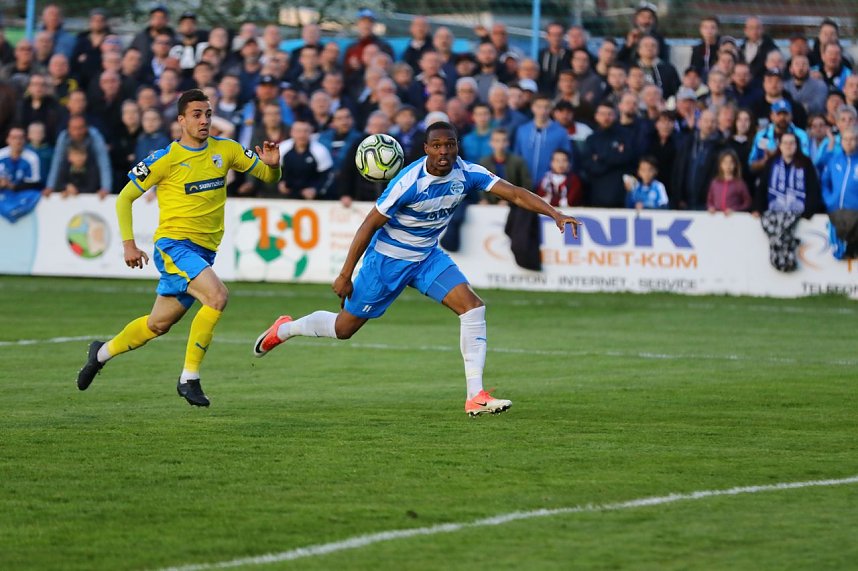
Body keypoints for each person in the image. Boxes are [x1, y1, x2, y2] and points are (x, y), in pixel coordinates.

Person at [253, 121, 580, 416]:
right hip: (387, 261)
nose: (444, 151)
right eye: (437, 145)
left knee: (473, 307)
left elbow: (515, 194)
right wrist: (345, 274)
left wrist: (555, 213)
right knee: (344, 329)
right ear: (426, 149)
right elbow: (368, 225)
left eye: (449, 144)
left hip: (426, 257)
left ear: (457, 146)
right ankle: (285, 329)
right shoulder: (409, 182)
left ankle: (475, 395)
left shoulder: (467, 173)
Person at [75, 89, 282, 407]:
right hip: (174, 246)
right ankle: (189, 378)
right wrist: (129, 245)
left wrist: (274, 166)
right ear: (181, 120)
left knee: (158, 324)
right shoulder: (165, 159)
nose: (204, 120)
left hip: (204, 251)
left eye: (208, 114)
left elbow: (268, 176)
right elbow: (124, 198)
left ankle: (100, 353)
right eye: (197, 114)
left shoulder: (226, 150)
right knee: (217, 296)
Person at [707, 149, 751, 214]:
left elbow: (747, 203)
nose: (728, 165)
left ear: (735, 164)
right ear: (720, 164)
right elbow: (710, 200)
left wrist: (735, 209)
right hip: (717, 218)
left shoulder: (740, 183)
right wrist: (711, 207)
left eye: (731, 162)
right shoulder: (715, 183)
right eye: (725, 162)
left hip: (733, 218)